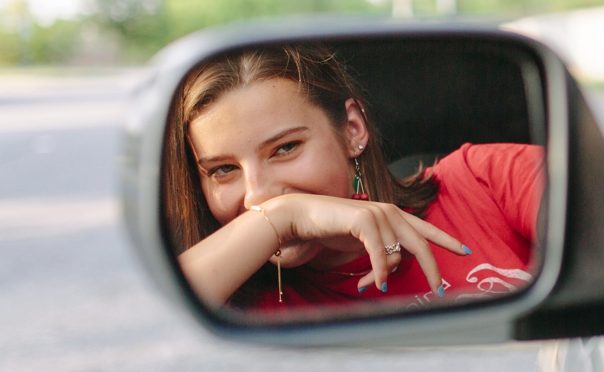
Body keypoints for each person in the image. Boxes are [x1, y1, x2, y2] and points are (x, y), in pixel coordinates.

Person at [163, 43, 544, 312]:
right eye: (224, 170)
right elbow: (158, 318)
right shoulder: (232, 297)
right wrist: (283, 216)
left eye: (285, 148)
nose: (256, 196)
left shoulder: (484, 179)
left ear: (352, 128)